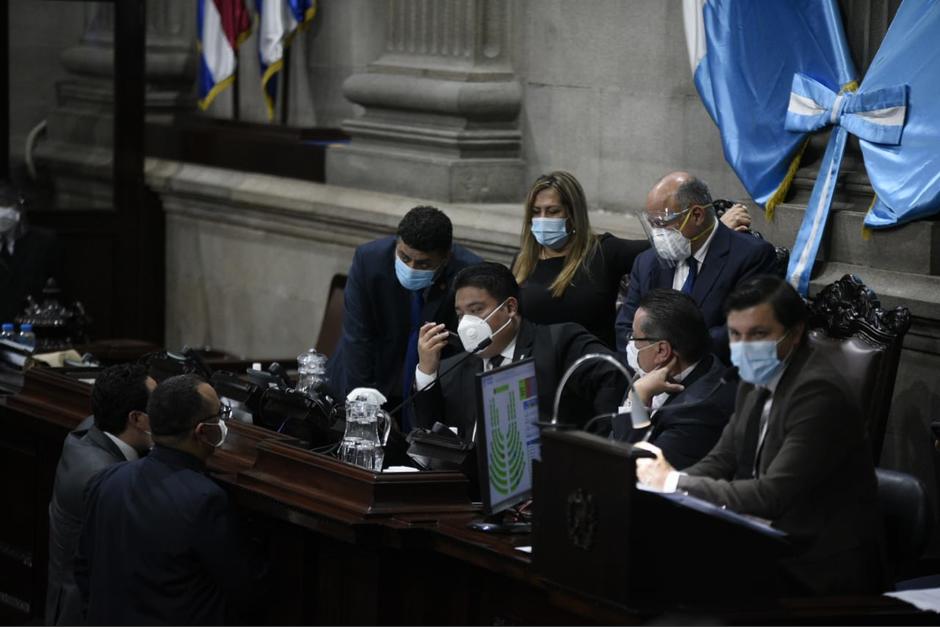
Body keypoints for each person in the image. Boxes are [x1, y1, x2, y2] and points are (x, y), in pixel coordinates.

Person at [634, 276, 883, 595]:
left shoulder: (820, 394)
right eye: (736, 335)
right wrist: (660, 491)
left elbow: (772, 494)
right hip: (764, 541)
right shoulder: (755, 379)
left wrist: (674, 483)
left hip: (819, 562)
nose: (745, 347)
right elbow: (721, 460)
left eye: (759, 334)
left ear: (794, 335)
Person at [75, 374, 267, 624]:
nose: (222, 422)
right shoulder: (206, 500)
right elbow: (243, 586)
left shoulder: (106, 479)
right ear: (202, 432)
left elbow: (82, 569)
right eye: (218, 416)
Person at [413, 262, 627, 440]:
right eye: (461, 314)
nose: (466, 323)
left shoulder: (559, 343)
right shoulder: (454, 368)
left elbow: (615, 377)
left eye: (476, 310)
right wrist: (427, 371)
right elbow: (430, 438)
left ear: (510, 308)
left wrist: (592, 446)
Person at [326, 205, 482, 428]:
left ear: (446, 257)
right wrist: (361, 402)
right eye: (404, 257)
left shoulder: (468, 273)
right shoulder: (369, 260)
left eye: (424, 264)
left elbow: (463, 351)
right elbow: (357, 335)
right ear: (397, 243)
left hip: (425, 391)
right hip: (365, 376)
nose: (411, 268)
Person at [615, 172, 777, 361]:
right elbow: (624, 329)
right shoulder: (647, 262)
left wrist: (671, 357)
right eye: (652, 225)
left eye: (661, 223)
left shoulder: (751, 256)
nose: (657, 234)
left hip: (713, 378)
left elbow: (742, 332)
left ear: (697, 215)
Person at [45, 364, 155, 626]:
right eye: (159, 407)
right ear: (137, 419)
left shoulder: (89, 431)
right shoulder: (105, 479)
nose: (165, 414)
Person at [511, 171, 648, 349]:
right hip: (538, 367)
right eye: (536, 212)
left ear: (573, 214)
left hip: (595, 366)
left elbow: (658, 249)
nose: (543, 219)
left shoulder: (603, 251)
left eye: (553, 211)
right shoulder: (522, 262)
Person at [613, 288, 736, 469]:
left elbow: (635, 472)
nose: (630, 344)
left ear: (662, 351)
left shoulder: (700, 411)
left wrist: (637, 399)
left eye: (634, 337)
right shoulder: (649, 374)